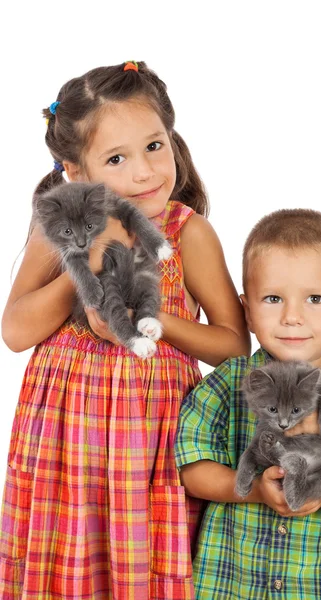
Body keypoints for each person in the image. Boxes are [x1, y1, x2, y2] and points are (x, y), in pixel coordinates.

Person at [0, 60, 250, 600]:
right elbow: (16, 332)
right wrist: (79, 268)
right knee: (68, 564)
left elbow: (234, 346)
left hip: (151, 444)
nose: (144, 172)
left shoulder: (189, 233)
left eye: (154, 146)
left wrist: (156, 324)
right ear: (75, 171)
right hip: (66, 447)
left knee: (145, 568)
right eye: (117, 158)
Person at [175, 208, 321, 599]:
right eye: (273, 298)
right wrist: (253, 489)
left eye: (314, 299)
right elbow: (189, 471)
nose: (292, 317)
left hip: (318, 587)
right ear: (247, 310)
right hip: (229, 585)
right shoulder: (228, 384)